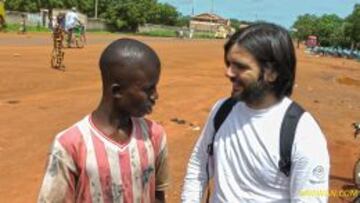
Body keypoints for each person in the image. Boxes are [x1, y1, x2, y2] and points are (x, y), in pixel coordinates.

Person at [181, 23, 330, 202]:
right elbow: (199, 165)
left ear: (272, 73)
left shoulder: (303, 133)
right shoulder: (222, 110)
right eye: (229, 64)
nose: (228, 73)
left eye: (240, 66)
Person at [38, 38, 169, 202]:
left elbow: (158, 194)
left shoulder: (154, 135)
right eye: (148, 89)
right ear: (117, 91)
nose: (155, 96)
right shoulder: (70, 146)